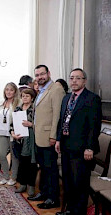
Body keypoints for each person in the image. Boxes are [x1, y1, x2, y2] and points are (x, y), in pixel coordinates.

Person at [55, 68, 102, 215]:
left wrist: (90, 148)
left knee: (79, 183)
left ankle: (78, 212)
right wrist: (58, 140)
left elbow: (94, 126)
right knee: (68, 181)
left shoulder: (92, 98)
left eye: (78, 78)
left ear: (84, 81)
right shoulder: (66, 98)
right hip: (66, 145)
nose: (74, 81)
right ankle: (69, 210)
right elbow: (61, 121)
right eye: (71, 78)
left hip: (82, 148)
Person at [28, 65, 65, 210]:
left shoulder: (56, 89)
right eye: (37, 75)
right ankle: (44, 193)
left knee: (51, 169)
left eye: (42, 74)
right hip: (39, 136)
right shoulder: (41, 90)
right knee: (43, 168)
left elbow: (57, 115)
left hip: (49, 137)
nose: (39, 77)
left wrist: (53, 136)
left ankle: (53, 198)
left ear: (49, 73)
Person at [11, 88, 37, 197]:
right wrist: (12, 133)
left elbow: (38, 124)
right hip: (19, 139)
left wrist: (31, 125)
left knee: (31, 163)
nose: (25, 98)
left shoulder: (34, 109)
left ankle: (31, 186)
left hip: (31, 140)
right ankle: (22, 184)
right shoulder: (17, 109)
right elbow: (12, 124)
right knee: (22, 163)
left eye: (27, 96)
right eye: (23, 96)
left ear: (32, 98)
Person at [0, 82, 20, 186]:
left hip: (12, 133)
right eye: (7, 90)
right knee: (1, 155)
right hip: (1, 132)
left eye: (11, 90)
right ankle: (5, 176)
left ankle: (13, 177)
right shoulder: (1, 103)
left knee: (14, 156)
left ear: (15, 91)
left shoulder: (18, 103)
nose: (9, 92)